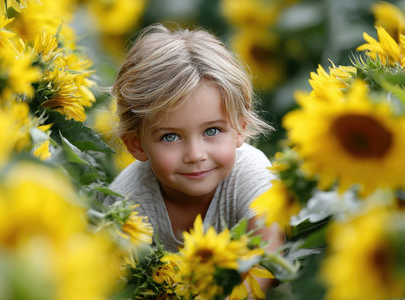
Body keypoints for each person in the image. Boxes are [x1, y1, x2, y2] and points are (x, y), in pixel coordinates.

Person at [105, 24, 283, 255]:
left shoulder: (250, 175)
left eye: (212, 131)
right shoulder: (126, 201)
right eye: (170, 137)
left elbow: (266, 261)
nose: (195, 155)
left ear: (240, 127)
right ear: (136, 144)